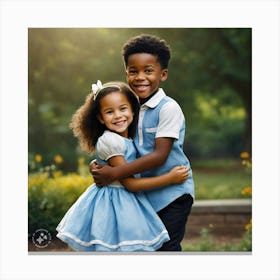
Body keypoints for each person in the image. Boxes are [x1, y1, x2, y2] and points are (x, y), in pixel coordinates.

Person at [56, 81, 189, 252]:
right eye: (109, 112)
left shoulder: (127, 137)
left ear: (133, 110)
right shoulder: (112, 141)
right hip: (115, 201)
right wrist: (170, 178)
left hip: (127, 199)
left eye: (123, 109)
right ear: (100, 118)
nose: (118, 115)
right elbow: (131, 184)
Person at [91, 34, 195, 251]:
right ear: (126, 73)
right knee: (146, 249)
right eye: (133, 71)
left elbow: (160, 156)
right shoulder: (128, 107)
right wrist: (101, 163)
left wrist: (114, 174)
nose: (140, 77)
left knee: (167, 247)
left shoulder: (168, 108)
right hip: (143, 193)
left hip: (173, 190)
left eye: (148, 71)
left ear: (163, 74)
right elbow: (115, 142)